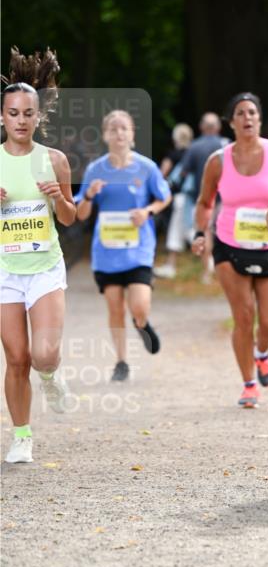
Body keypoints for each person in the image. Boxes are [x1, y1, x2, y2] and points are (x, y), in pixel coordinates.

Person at [193, 92, 268, 408]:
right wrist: (201, 233)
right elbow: (205, 201)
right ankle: (249, 383)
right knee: (243, 317)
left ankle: (262, 353)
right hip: (229, 244)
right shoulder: (218, 161)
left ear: (260, 119)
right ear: (231, 122)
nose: (247, 117)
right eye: (240, 113)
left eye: (252, 112)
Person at [0, 46, 76, 464]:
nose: (21, 120)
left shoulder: (55, 160)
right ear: (2, 117)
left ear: (38, 116)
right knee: (16, 357)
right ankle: (22, 436)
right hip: (4, 271)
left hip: (44, 267)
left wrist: (58, 198)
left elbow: (70, 217)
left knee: (43, 354)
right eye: (13, 113)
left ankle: (50, 376)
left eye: (28, 113)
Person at [75, 110, 171, 380]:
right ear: (105, 135)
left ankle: (141, 323)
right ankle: (121, 362)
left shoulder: (146, 167)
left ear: (132, 134)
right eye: (113, 129)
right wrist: (90, 196)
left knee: (139, 305)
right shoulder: (96, 169)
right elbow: (80, 214)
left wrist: (147, 211)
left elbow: (164, 197)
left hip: (138, 249)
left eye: (124, 128)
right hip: (106, 253)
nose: (119, 134)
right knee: (115, 308)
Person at [179, 112, 229, 284]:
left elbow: (184, 172)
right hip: (225, 198)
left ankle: (207, 271)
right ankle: (223, 269)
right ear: (218, 127)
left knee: (205, 232)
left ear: (201, 127)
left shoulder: (194, 146)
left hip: (203, 198)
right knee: (223, 233)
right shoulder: (226, 146)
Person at [154, 122, 194, 279]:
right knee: (195, 230)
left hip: (178, 198)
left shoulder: (172, 155)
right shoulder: (194, 152)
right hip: (195, 196)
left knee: (177, 231)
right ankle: (208, 264)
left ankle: (171, 265)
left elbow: (160, 175)